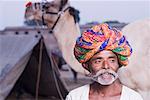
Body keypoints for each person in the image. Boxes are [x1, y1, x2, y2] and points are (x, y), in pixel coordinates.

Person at [65, 23, 143, 100]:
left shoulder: (133, 97)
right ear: (87, 66)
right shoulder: (75, 97)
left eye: (112, 60)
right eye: (98, 61)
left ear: (119, 63)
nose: (106, 66)